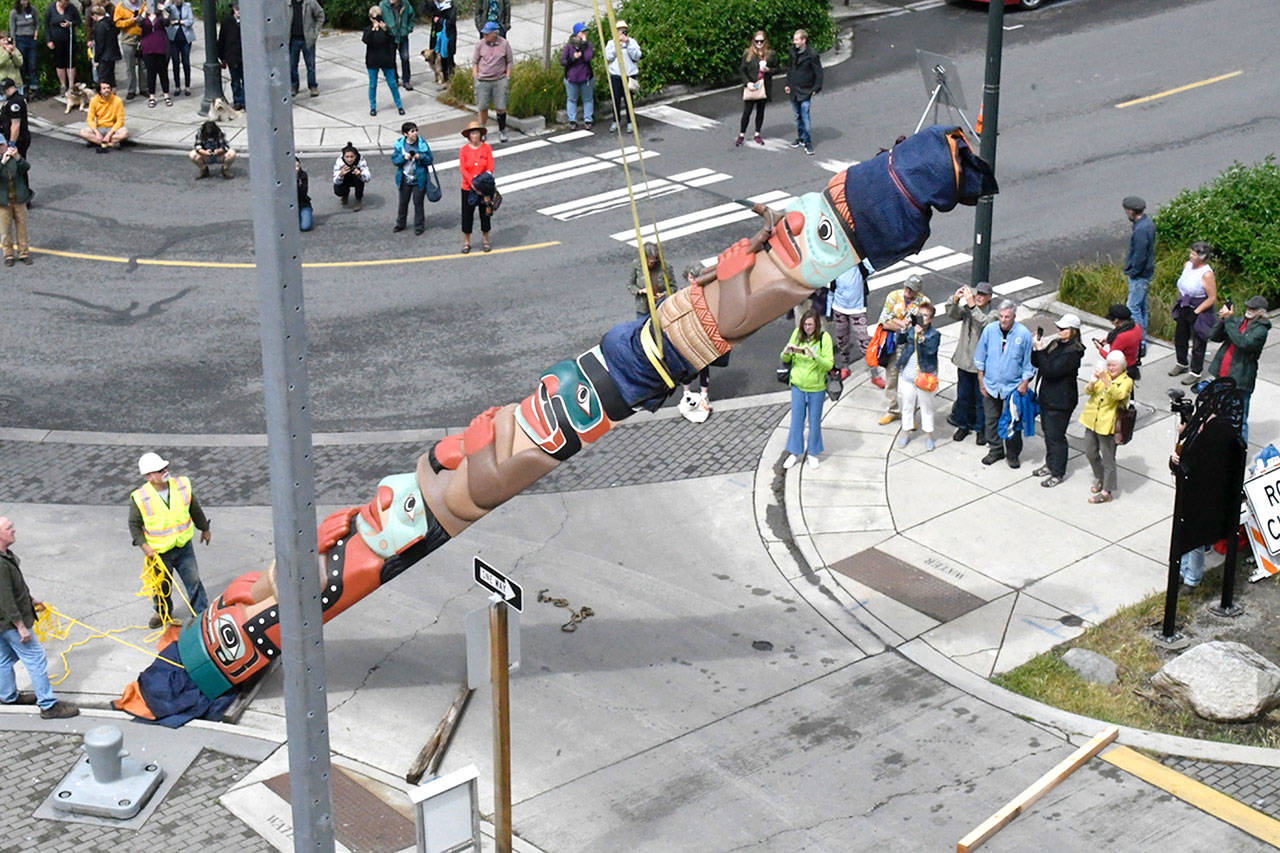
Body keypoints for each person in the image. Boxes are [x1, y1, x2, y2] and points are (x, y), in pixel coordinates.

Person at [0, 517, 79, 719]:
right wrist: (20, 627)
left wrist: (31, 600)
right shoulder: (1, 564)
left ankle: (8, 697)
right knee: (35, 658)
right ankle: (48, 705)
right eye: (9, 528)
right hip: (10, 623)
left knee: (4, 659)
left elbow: (14, 588)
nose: (13, 530)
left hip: (4, 622)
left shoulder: (5, 556)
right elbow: (5, 599)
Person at [128, 452, 211, 628]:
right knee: (161, 587)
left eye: (164, 467)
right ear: (149, 476)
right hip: (158, 552)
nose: (165, 471)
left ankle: (201, 612)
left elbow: (194, 509)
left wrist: (204, 528)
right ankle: (163, 612)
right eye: (159, 470)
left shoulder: (181, 485)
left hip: (183, 546)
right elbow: (134, 525)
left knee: (193, 580)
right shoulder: (140, 497)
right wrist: (144, 546)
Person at [974, 299, 1035, 468]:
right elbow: (980, 357)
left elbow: (1028, 363)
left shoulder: (1023, 334)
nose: (1003, 320)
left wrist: (1024, 383)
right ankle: (995, 450)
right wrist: (981, 380)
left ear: (1014, 316)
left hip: (1012, 388)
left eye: (1007, 317)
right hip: (991, 384)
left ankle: (1013, 454)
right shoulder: (989, 330)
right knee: (991, 419)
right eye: (1001, 316)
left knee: (1012, 422)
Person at [1206, 295, 1271, 442]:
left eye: (1252, 309)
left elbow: (1243, 343)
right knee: (1219, 414)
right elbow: (1215, 337)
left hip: (1241, 380)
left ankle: (1240, 451)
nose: (1248, 310)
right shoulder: (1239, 321)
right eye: (1248, 307)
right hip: (1223, 375)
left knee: (1239, 419)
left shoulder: (1261, 330)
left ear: (1261, 312)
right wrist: (1223, 320)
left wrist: (1229, 320)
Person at [1031, 313, 1085, 488]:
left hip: (1061, 400)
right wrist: (1036, 348)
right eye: (1059, 328)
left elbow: (1051, 370)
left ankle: (1058, 472)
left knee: (1056, 436)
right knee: (1048, 433)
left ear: (1073, 331)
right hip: (1047, 396)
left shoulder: (1073, 352)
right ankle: (1050, 463)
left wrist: (1040, 352)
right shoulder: (1056, 343)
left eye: (1063, 329)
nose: (1059, 331)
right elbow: (1039, 362)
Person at [781, 308, 834, 469]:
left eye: (810, 325)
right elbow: (785, 358)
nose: (807, 328)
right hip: (798, 385)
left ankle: (812, 452)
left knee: (814, 421)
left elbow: (829, 364)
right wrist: (786, 352)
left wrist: (815, 357)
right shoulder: (797, 334)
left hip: (816, 387)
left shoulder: (824, 338)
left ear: (816, 325)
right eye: (805, 324)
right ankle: (794, 452)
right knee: (796, 420)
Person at [876, 273, 930, 425]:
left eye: (911, 289)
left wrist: (898, 322)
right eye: (906, 287)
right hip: (893, 344)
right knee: (891, 378)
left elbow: (923, 326)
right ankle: (892, 410)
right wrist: (902, 324)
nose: (907, 290)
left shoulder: (924, 302)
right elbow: (884, 322)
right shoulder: (893, 296)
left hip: (911, 347)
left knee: (910, 382)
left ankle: (909, 415)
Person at [1080, 350, 1133, 504]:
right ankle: (1100, 477)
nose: (1110, 368)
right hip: (1092, 420)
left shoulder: (1126, 381)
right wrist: (1092, 381)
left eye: (1114, 365)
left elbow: (1119, 395)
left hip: (1108, 425)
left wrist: (1106, 381)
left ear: (1122, 366)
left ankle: (1107, 491)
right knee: (1090, 452)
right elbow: (1088, 392)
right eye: (1109, 365)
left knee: (1108, 459)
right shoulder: (1104, 376)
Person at [944, 280, 993, 443]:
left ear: (990, 298)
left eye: (983, 295)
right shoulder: (968, 309)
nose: (979, 297)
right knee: (963, 396)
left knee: (981, 400)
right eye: (978, 294)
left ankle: (980, 429)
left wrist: (973, 306)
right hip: (964, 361)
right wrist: (955, 299)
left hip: (980, 366)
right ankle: (963, 425)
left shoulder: (993, 313)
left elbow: (984, 323)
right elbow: (952, 313)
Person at [1170, 241, 1218, 385]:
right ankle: (1181, 363)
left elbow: (1212, 297)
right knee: (1180, 336)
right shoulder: (1187, 266)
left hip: (1199, 308)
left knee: (1198, 342)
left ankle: (1195, 372)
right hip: (1185, 304)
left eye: (1194, 254)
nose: (1191, 256)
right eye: (1191, 253)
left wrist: (1197, 311)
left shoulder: (1207, 274)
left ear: (1202, 257)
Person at [895, 302, 941, 451]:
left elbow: (930, 350)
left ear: (931, 319)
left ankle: (928, 436)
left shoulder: (933, 334)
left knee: (927, 407)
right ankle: (906, 432)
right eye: (920, 315)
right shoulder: (911, 330)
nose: (922, 318)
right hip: (907, 375)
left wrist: (921, 337)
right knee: (907, 406)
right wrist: (904, 328)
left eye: (926, 316)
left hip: (924, 377)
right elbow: (899, 341)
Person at [1122, 195, 1154, 356]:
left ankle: (1140, 342)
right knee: (1141, 307)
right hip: (1146, 273)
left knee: (1133, 307)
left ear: (1131, 211)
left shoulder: (1140, 229)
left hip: (1139, 275)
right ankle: (1143, 339)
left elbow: (1139, 254)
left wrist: (1133, 271)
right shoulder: (1147, 223)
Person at [472, 22, 512, 142]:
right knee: (482, 107)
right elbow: (475, 62)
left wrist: (507, 76)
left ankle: (502, 130)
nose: (484, 35)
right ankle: (482, 131)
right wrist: (476, 76)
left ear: (494, 34)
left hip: (499, 79)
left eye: (487, 33)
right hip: (483, 80)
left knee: (501, 106)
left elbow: (509, 61)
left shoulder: (504, 44)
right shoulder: (480, 44)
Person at [784, 29, 821, 156]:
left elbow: (818, 72)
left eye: (797, 39)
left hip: (806, 89)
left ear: (803, 40)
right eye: (794, 39)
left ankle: (807, 141)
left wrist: (816, 88)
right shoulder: (792, 52)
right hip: (794, 88)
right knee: (797, 115)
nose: (794, 42)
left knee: (805, 114)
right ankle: (800, 137)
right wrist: (787, 84)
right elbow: (789, 69)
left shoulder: (812, 55)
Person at [828, 264, 869, 379]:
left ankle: (874, 372)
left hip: (858, 308)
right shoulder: (835, 268)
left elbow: (872, 266)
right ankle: (845, 367)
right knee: (842, 340)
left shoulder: (861, 265)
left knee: (864, 341)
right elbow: (831, 290)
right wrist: (828, 312)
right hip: (839, 308)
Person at [458, 119, 494, 253]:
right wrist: (473, 183)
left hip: (484, 188)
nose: (475, 136)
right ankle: (466, 242)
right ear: (469, 136)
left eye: (477, 133)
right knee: (467, 215)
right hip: (468, 188)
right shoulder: (464, 150)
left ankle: (486, 240)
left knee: (485, 214)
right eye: (472, 133)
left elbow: (490, 167)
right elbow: (463, 169)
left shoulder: (486, 148)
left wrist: (482, 183)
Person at [736, 30, 776, 147]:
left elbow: (777, 69)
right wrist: (747, 83)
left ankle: (757, 133)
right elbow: (742, 70)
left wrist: (768, 70)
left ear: (765, 42)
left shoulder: (770, 54)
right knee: (747, 112)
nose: (759, 43)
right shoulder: (748, 54)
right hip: (751, 86)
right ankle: (741, 134)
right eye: (756, 41)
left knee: (760, 111)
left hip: (763, 86)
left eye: (761, 41)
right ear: (753, 41)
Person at [392, 120, 431, 235]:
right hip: (405, 179)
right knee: (403, 203)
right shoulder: (400, 145)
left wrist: (421, 156)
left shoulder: (422, 144)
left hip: (419, 179)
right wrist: (404, 157)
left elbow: (430, 159)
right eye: (412, 131)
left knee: (418, 203)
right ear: (405, 134)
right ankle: (400, 224)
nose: (415, 133)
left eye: (416, 130)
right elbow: (395, 160)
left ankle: (419, 226)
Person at [363, 5, 403, 117]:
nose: (376, 20)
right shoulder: (368, 29)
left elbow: (392, 39)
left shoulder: (386, 28)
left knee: (392, 83)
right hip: (372, 61)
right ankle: (373, 107)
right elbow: (366, 40)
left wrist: (385, 30)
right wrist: (373, 29)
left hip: (386, 60)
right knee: (372, 85)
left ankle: (399, 105)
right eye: (374, 18)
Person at [604, 19, 640, 134]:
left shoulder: (632, 42)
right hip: (616, 75)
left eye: (623, 30)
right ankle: (616, 120)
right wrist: (617, 46)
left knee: (629, 99)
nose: (621, 33)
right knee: (616, 99)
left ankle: (630, 122)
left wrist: (627, 43)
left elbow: (637, 55)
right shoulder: (611, 43)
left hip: (629, 75)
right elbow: (608, 57)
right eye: (619, 30)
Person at [0, 141, 32, 265]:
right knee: (5, 230)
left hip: (18, 199)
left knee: (22, 227)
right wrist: (2, 162)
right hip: (3, 201)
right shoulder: (2, 160)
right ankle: (8, 254)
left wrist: (18, 157)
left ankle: (23, 253)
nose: (1, 148)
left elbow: (26, 168)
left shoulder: (14, 159)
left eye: (2, 145)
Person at [1093, 303, 1142, 381]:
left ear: (1116, 320)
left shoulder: (1121, 338)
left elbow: (1111, 358)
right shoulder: (1136, 327)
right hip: (1132, 365)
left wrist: (1100, 349)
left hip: (1121, 370)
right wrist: (1107, 340)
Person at [43, 0, 81, 97]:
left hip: (69, 39)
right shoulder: (50, 9)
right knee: (59, 62)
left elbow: (78, 21)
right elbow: (46, 26)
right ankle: (63, 85)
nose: (64, 5)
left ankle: (71, 85)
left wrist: (70, 24)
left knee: (70, 62)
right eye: (62, 3)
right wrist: (49, 40)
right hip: (56, 40)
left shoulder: (71, 8)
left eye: (66, 3)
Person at [560, 22, 593, 131]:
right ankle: (572, 120)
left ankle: (588, 119)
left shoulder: (588, 45)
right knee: (572, 99)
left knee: (587, 99)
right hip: (571, 78)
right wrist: (573, 58)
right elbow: (563, 61)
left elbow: (588, 57)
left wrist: (583, 45)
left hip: (586, 77)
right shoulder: (569, 46)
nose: (584, 34)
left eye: (585, 32)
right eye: (582, 32)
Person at [77, 80, 128, 150]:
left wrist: (109, 134)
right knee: (82, 132)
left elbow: (120, 121)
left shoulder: (118, 100)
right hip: (99, 127)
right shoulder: (94, 100)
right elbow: (90, 119)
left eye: (108, 88)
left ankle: (98, 142)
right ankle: (110, 143)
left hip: (113, 128)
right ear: (100, 91)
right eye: (104, 88)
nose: (107, 90)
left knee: (125, 133)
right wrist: (97, 132)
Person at [289, 0, 324, 98]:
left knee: (310, 65)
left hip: (307, 40)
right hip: (293, 40)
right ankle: (294, 86)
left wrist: (315, 33)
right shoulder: (288, 4)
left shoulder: (310, 2)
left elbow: (321, 15)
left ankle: (313, 86)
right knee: (292, 65)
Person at [628, 241, 671, 319]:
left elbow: (673, 287)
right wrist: (640, 291)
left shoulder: (665, 266)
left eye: (654, 260)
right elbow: (630, 285)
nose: (651, 263)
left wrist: (664, 294)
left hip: (661, 307)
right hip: (643, 309)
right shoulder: (636, 265)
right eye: (649, 261)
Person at [139, 2, 171, 107]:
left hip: (160, 47)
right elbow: (138, 24)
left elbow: (167, 22)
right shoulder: (144, 17)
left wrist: (163, 10)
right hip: (148, 47)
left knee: (163, 72)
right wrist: (143, 14)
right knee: (151, 73)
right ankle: (152, 96)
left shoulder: (160, 16)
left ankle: (166, 95)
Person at [113, 0, 145, 101]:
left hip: (142, 38)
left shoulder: (143, 4)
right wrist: (131, 20)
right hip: (128, 39)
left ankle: (144, 88)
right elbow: (117, 23)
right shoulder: (121, 6)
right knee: (130, 66)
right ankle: (131, 90)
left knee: (143, 66)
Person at [379, 0, 414, 92]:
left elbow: (411, 16)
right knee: (391, 59)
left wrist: (409, 28)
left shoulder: (405, 4)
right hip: (390, 36)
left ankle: (406, 80)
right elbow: (378, 18)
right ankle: (394, 79)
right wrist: (383, 28)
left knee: (405, 58)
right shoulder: (383, 5)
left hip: (402, 35)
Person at [216, 2, 244, 110]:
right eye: (237, 9)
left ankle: (246, 100)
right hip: (232, 56)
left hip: (244, 57)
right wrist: (222, 57)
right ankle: (238, 101)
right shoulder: (227, 22)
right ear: (233, 9)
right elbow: (222, 40)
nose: (239, 11)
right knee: (235, 81)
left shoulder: (248, 22)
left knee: (246, 81)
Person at [9, 0, 38, 96]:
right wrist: (14, 43)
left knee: (32, 64)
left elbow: (37, 23)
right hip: (20, 39)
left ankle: (34, 88)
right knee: (22, 64)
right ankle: (23, 87)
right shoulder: (14, 12)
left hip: (31, 38)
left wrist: (35, 35)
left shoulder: (32, 10)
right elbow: (12, 29)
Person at [164, 0, 193, 96]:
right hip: (173, 39)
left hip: (185, 38)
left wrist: (178, 22)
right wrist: (169, 2)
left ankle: (187, 86)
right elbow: (164, 11)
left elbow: (190, 21)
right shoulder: (171, 8)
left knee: (186, 62)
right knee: (175, 62)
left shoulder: (187, 6)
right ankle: (177, 86)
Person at [332, 141, 371, 210]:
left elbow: (368, 178)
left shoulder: (361, 161)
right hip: (345, 180)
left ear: (355, 156)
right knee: (338, 190)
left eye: (352, 157)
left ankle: (358, 199)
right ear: (343, 157)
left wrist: (360, 174)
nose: (349, 159)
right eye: (347, 157)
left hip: (356, 179)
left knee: (359, 179)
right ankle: (345, 194)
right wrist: (341, 175)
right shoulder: (339, 162)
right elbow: (335, 180)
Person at [90, 7, 120, 87]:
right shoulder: (111, 22)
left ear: (95, 15)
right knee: (111, 78)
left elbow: (100, 45)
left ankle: (104, 97)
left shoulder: (100, 26)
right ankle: (113, 96)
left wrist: (96, 59)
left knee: (103, 79)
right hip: (113, 54)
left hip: (104, 57)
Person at [2, 77, 30, 160]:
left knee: (16, 165)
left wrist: (12, 144)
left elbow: (15, 125)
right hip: (19, 137)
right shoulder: (15, 99)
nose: (4, 92)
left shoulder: (14, 103)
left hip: (19, 139)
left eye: (5, 89)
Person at [429, 0, 457, 83]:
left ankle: (450, 79)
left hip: (448, 36)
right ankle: (443, 78)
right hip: (437, 36)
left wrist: (439, 20)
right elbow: (424, 10)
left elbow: (451, 22)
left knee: (448, 58)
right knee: (439, 58)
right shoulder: (435, 5)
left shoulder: (450, 6)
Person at [296, 156, 312, 231]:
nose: (296, 169)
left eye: (297, 166)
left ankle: (307, 213)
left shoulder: (303, 175)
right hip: (287, 206)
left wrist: (297, 181)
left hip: (302, 203)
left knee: (305, 226)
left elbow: (303, 193)